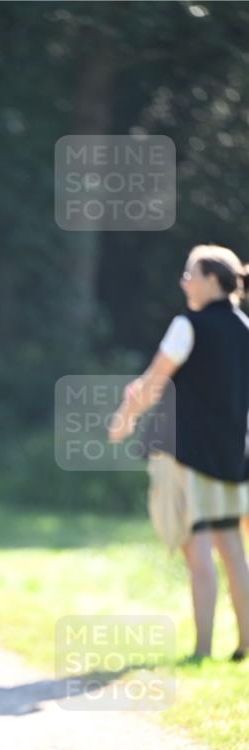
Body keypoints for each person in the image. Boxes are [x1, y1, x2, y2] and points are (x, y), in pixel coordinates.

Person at [109, 244, 249, 663]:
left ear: (211, 280)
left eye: (190, 273)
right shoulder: (245, 327)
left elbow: (153, 382)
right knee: (232, 549)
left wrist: (124, 417)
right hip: (229, 459)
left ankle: (202, 649)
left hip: (185, 454)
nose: (183, 281)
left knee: (197, 549)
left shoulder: (187, 324)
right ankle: (244, 645)